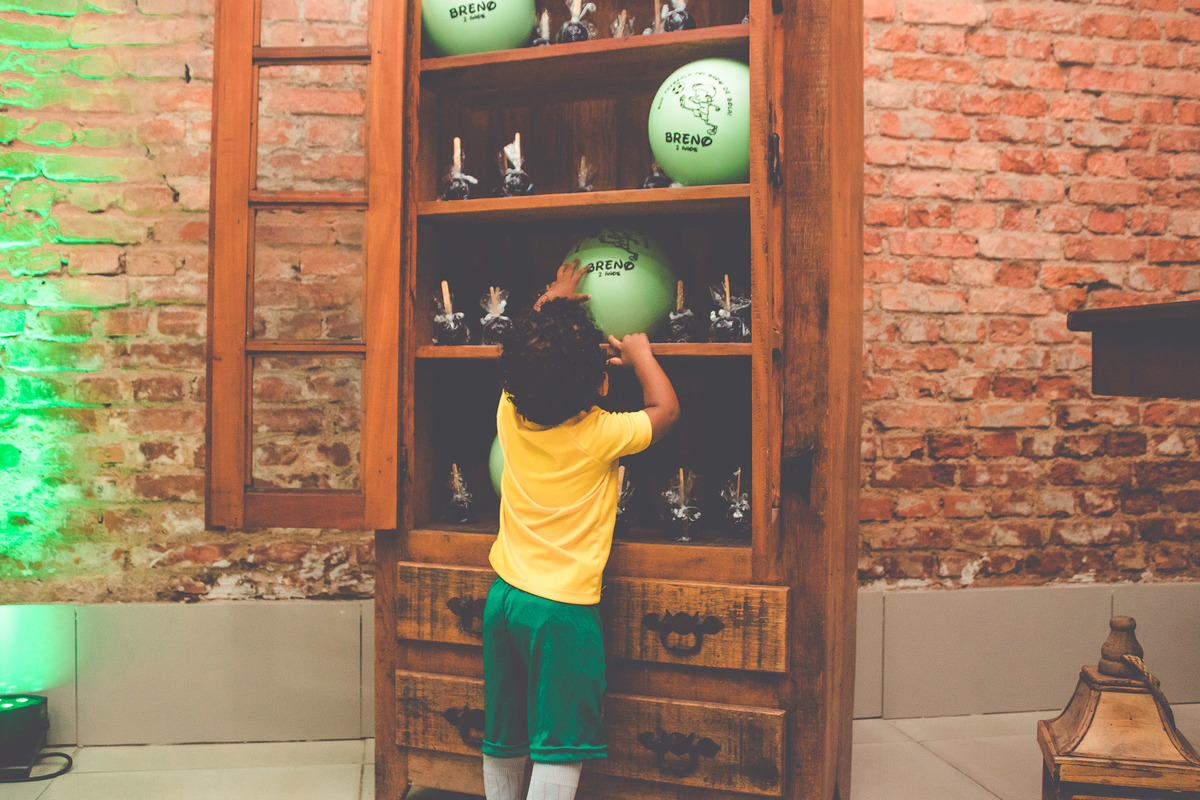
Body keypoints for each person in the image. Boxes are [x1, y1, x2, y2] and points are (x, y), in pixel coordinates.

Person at [482, 260, 680, 800]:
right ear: (601, 381)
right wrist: (643, 356)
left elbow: (527, 353)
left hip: (503, 601)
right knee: (560, 741)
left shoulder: (509, 413)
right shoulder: (600, 434)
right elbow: (664, 412)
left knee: (504, 731)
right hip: (561, 612)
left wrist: (553, 298)